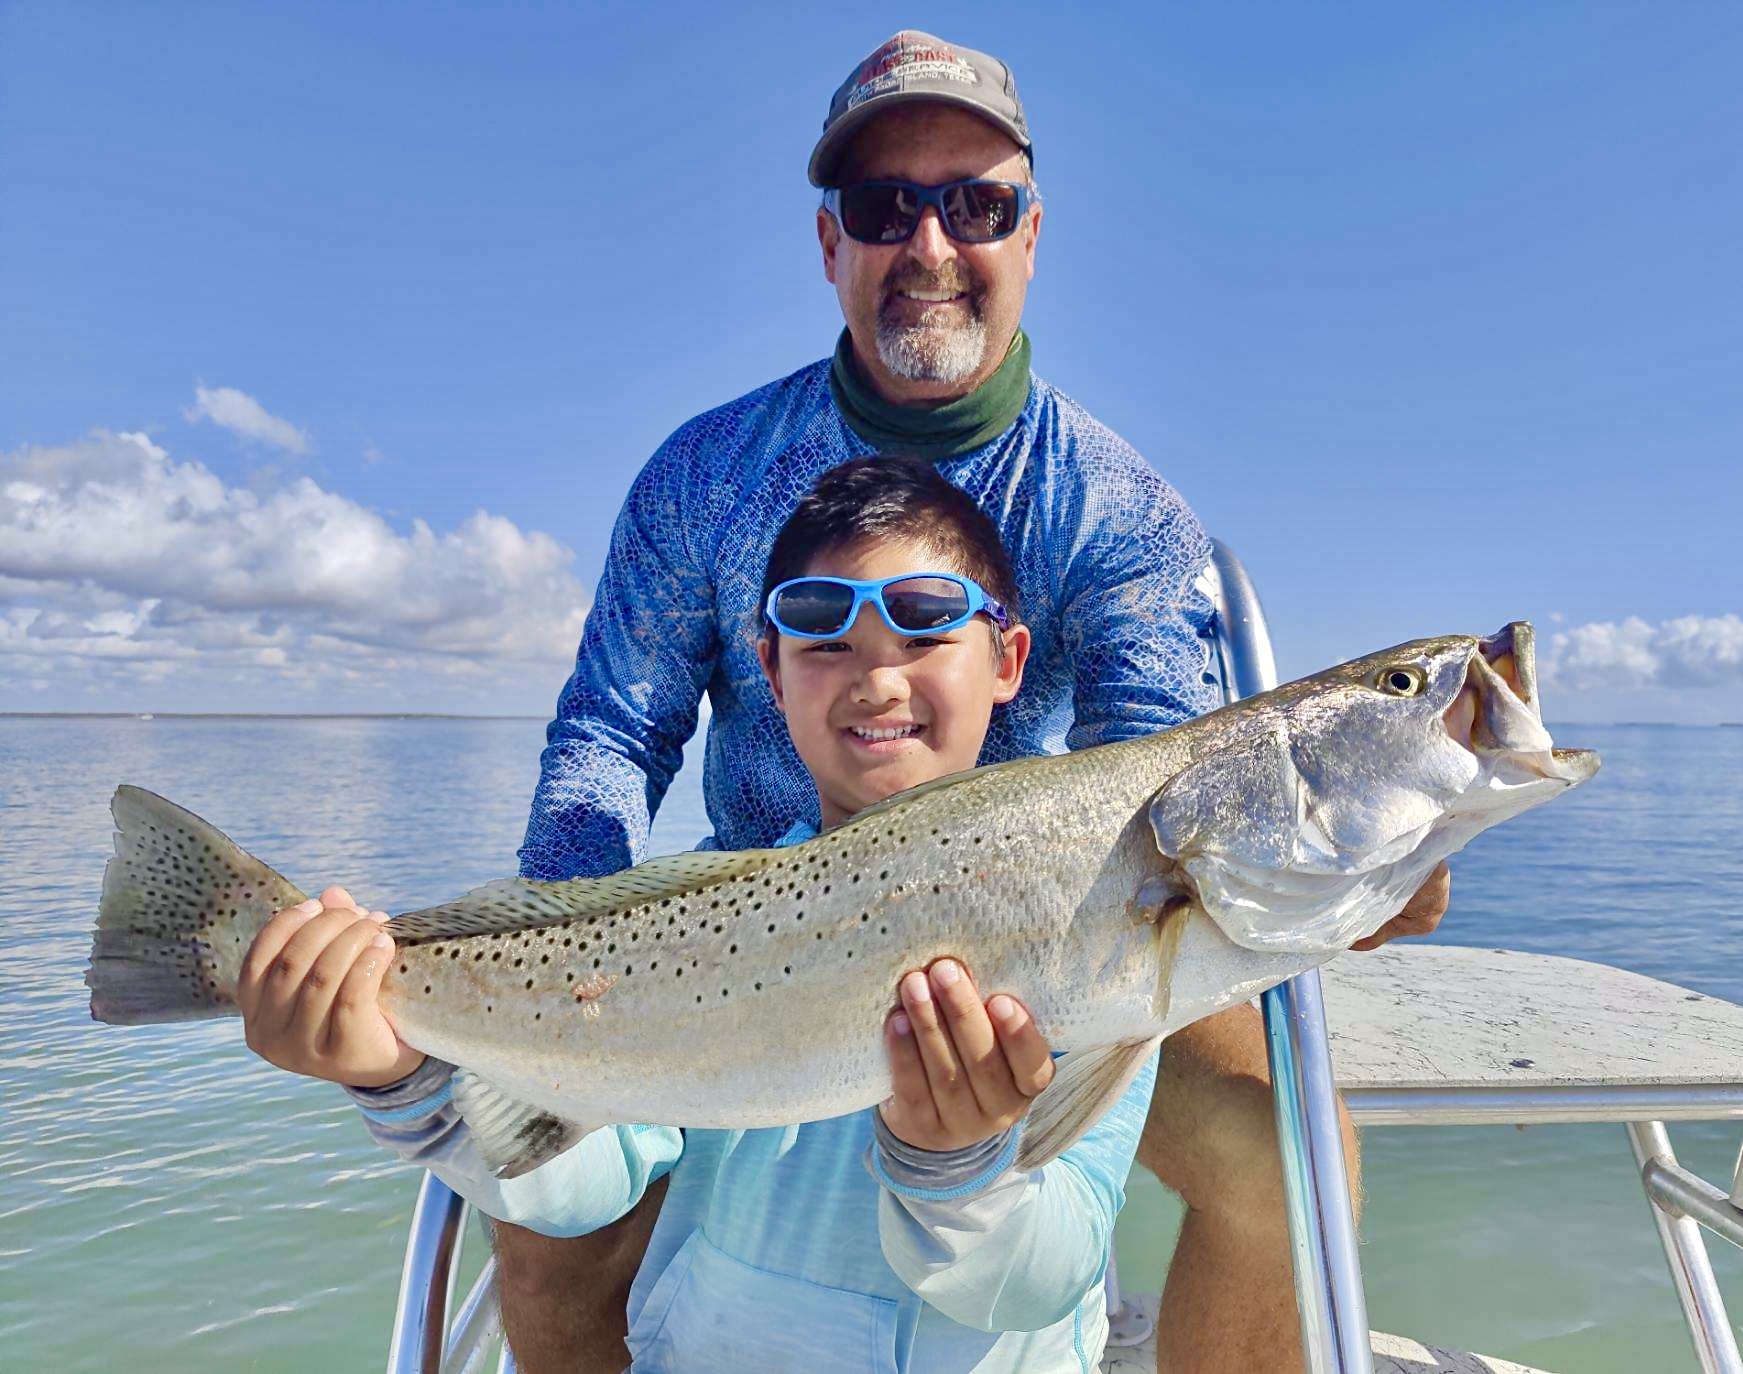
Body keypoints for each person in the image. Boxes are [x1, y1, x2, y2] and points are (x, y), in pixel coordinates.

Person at [247, 29, 1448, 1374]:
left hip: (1039, 918)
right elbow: (611, 731)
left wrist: (1324, 869)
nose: (928, 244)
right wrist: (568, 965)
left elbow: (1160, 781)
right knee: (540, 1219)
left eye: (974, 203)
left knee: (1286, 1152)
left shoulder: (1120, 508)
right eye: (884, 206)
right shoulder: (703, 471)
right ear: (831, 241)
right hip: (750, 908)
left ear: (1030, 232)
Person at [242, 455, 1158, 1371]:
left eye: (924, 628)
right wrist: (403, 1079)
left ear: (1007, 661)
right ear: (770, 672)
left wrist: (957, 1171)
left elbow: (1044, 1278)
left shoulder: (1099, 918)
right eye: (824, 639)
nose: (878, 681)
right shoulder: (701, 911)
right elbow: (582, 1184)